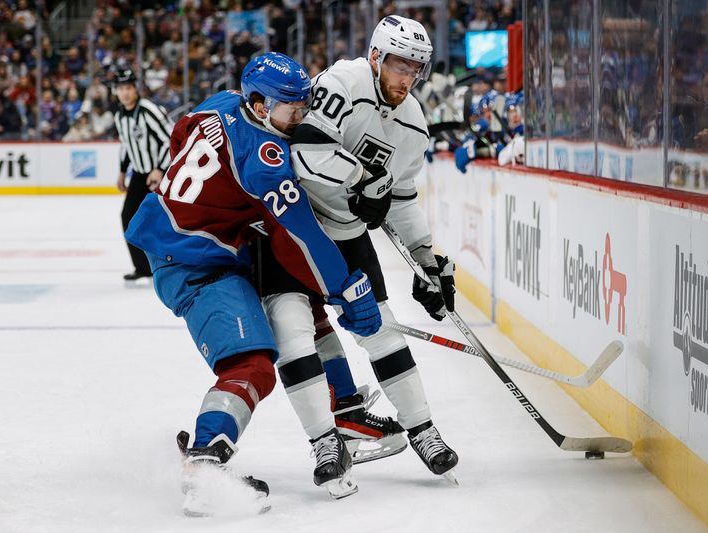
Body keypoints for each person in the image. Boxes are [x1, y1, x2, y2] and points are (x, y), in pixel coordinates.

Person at [124, 52, 381, 514]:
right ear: (261, 106)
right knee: (252, 365)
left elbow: (183, 131)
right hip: (194, 264)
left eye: (304, 105)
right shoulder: (266, 160)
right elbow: (301, 235)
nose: (300, 117)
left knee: (306, 310)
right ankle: (205, 465)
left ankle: (345, 408)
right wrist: (345, 287)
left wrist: (227, 204)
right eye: (291, 108)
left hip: (191, 241)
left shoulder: (219, 102)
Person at [287, 15, 459, 479]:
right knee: (293, 336)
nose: (407, 78)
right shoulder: (344, 81)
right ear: (378, 57)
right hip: (293, 224)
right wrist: (363, 178)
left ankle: (422, 428)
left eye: (416, 69)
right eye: (400, 65)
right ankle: (324, 439)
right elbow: (304, 152)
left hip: (344, 232)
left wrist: (426, 260)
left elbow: (400, 200)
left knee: (381, 329)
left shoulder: (415, 126)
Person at [112, 66, 173, 282]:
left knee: (163, 219)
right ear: (115, 91)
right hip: (139, 174)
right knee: (128, 216)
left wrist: (159, 168)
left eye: (129, 87)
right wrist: (121, 172)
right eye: (121, 88)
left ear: (135, 88)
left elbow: (170, 138)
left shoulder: (148, 110)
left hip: (161, 171)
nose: (125, 92)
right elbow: (126, 144)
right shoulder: (120, 115)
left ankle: (172, 263)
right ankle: (143, 267)